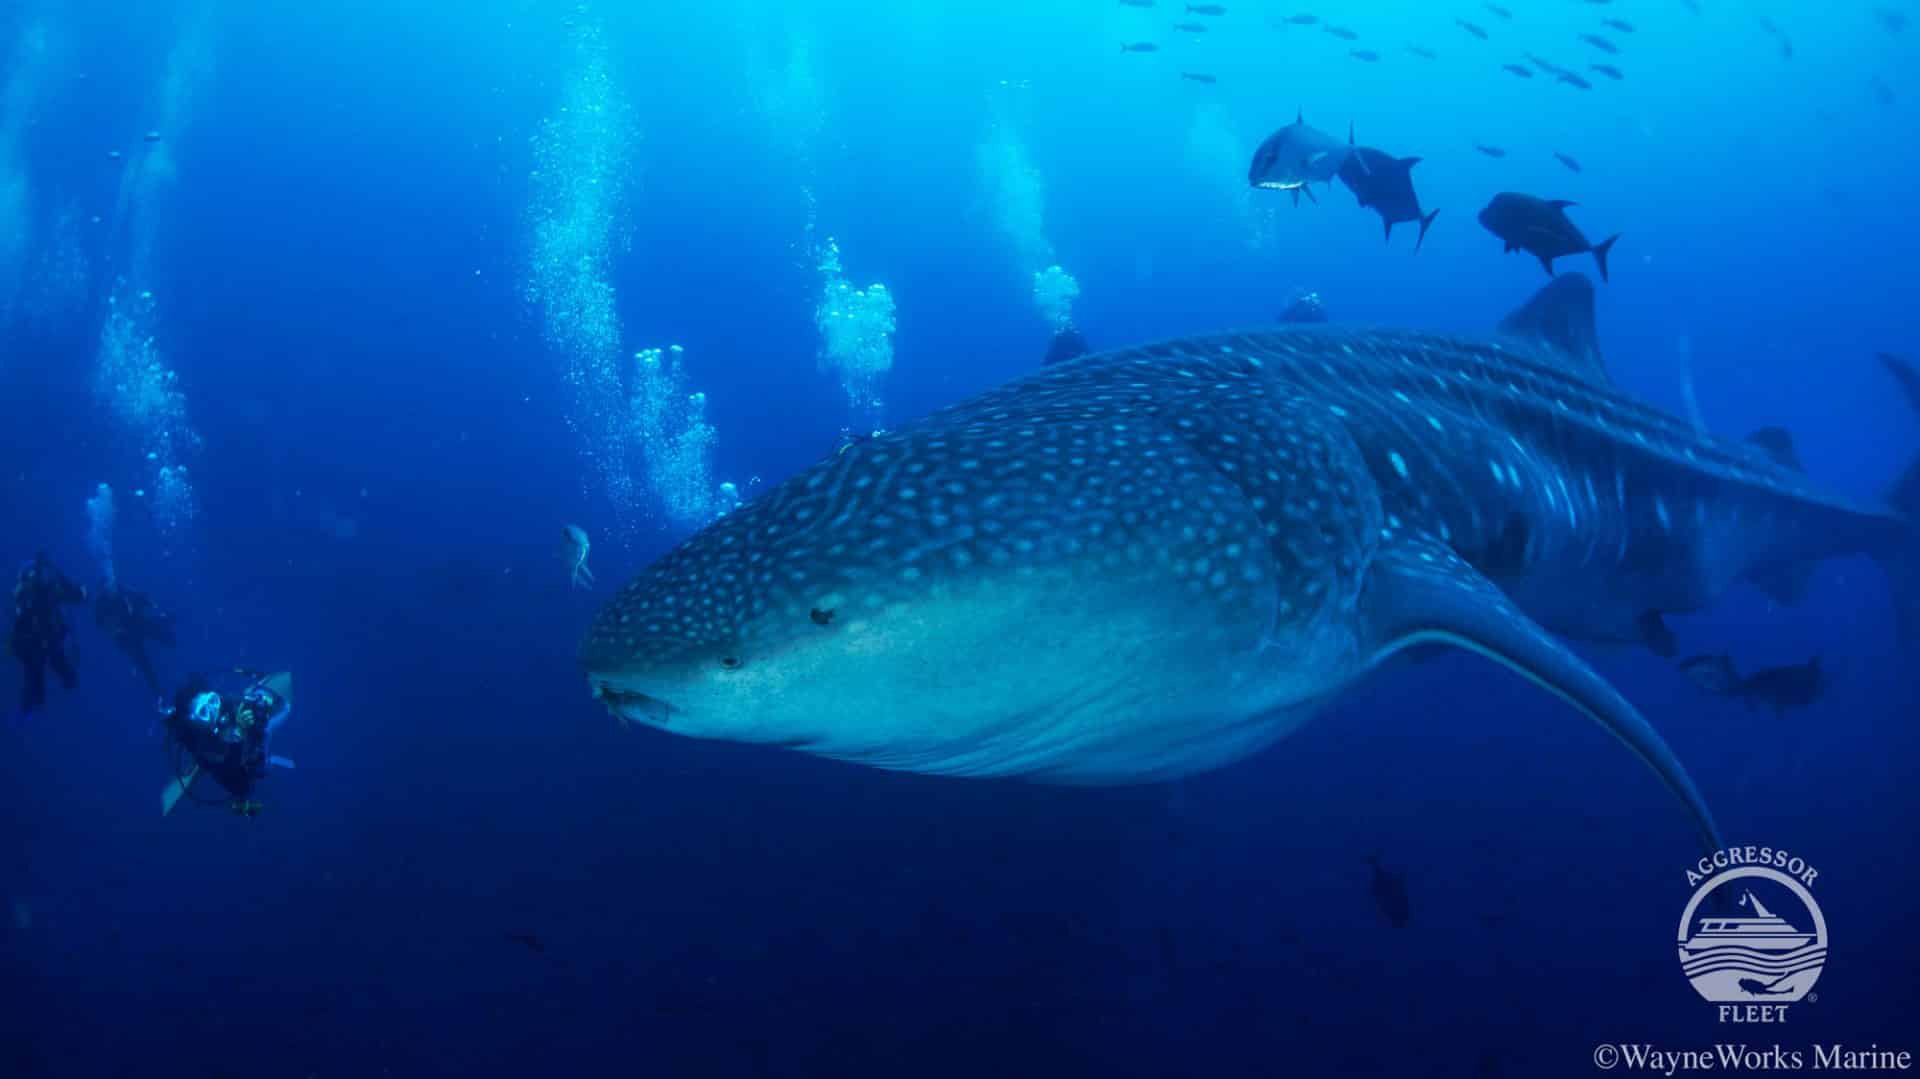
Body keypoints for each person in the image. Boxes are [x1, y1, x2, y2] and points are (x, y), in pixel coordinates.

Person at [160, 670, 295, 817]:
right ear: (196, 722)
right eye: (204, 711)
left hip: (235, 741)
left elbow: (237, 701)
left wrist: (258, 702)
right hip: (232, 769)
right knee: (244, 787)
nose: (214, 710)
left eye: (212, 701)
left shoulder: (223, 704)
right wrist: (242, 734)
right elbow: (237, 764)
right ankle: (198, 769)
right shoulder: (202, 746)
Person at [9, 553, 87, 719]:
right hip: (36, 642)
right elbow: (79, 596)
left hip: (46, 640)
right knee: (39, 683)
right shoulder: (35, 591)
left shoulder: (46, 589)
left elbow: (79, 596)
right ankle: (27, 714)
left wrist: (58, 575)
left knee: (64, 678)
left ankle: (29, 712)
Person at [93, 583, 175, 695]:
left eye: (108, 587)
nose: (108, 590)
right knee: (144, 664)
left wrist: (150, 604)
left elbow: (140, 597)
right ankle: (157, 691)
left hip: (137, 624)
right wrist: (114, 629)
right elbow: (101, 623)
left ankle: (173, 630)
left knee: (163, 634)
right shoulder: (101, 604)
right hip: (127, 636)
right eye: (104, 588)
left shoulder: (120, 591)